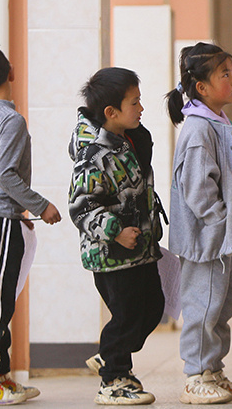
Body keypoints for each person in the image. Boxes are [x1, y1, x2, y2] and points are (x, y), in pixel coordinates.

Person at [165, 42, 232, 404]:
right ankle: (195, 375)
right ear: (202, 87)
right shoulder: (198, 130)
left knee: (221, 307)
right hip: (206, 241)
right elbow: (199, 192)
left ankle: (213, 371)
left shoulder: (217, 122)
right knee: (202, 307)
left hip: (224, 239)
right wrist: (222, 226)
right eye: (225, 74)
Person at [68, 67, 165, 405]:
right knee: (125, 315)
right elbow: (80, 207)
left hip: (141, 247)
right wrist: (115, 231)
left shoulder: (131, 138)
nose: (141, 109)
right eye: (135, 103)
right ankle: (114, 378)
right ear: (111, 112)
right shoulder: (94, 156)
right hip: (111, 252)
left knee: (153, 307)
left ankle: (111, 355)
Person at [0, 42, 62, 406]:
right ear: (11, 72)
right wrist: (40, 206)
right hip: (0, 220)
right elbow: (5, 175)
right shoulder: (9, 120)